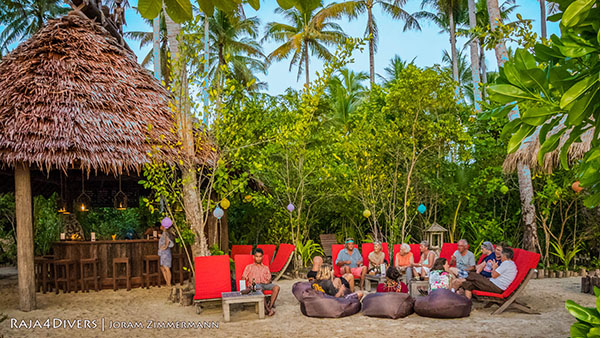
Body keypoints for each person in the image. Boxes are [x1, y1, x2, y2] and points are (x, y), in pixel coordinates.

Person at [241, 248, 280, 316]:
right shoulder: (249, 267)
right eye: (257, 256)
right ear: (253, 257)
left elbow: (269, 280)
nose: (258, 258)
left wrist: (267, 281)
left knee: (276, 287)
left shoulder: (265, 268)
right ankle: (268, 310)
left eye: (260, 256)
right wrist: (244, 286)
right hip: (254, 285)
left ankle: (270, 306)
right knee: (259, 288)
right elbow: (243, 277)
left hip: (264, 284)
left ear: (262, 257)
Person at [158, 219, 174, 287]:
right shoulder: (165, 233)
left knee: (166, 268)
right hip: (163, 252)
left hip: (165, 252)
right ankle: (167, 282)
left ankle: (168, 283)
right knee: (163, 267)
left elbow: (167, 241)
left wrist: (165, 246)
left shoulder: (166, 233)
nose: (160, 226)